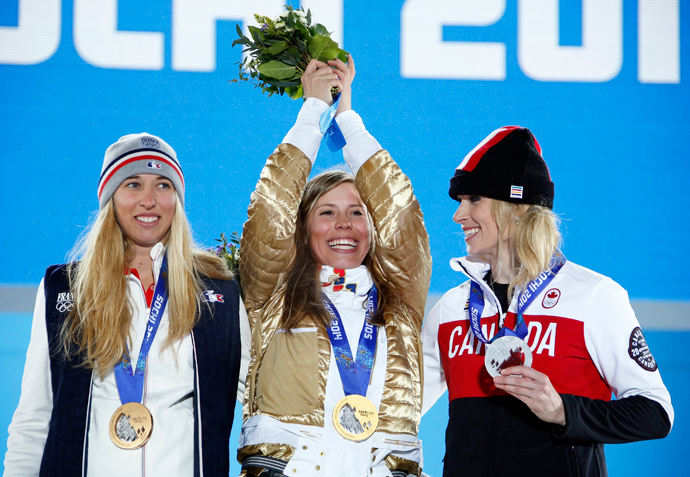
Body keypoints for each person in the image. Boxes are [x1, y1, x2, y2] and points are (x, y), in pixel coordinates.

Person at [421, 126, 673, 477]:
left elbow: (656, 414)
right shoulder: (451, 308)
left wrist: (562, 411)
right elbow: (401, 407)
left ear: (519, 207)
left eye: (473, 199)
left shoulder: (593, 296)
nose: (458, 215)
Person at [4, 133, 251, 476]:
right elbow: (34, 418)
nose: (148, 200)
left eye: (163, 186)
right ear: (111, 198)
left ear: (177, 200)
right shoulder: (65, 289)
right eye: (133, 184)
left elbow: (259, 403)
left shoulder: (217, 293)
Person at [238, 55, 431, 477]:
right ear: (302, 230)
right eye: (326, 213)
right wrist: (312, 111)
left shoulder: (400, 297)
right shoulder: (272, 295)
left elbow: (401, 215)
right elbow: (271, 212)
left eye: (357, 213)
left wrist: (347, 120)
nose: (344, 224)